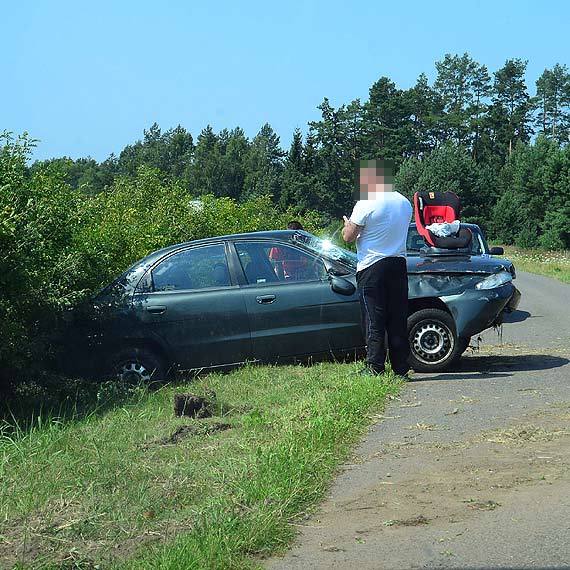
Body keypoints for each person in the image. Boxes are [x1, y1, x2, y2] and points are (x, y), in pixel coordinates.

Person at [342, 159, 412, 377]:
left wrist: (347, 224)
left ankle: (374, 366)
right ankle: (401, 367)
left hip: (372, 266)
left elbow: (348, 237)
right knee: (397, 318)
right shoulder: (404, 202)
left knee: (374, 318)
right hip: (398, 263)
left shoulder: (366, 202)